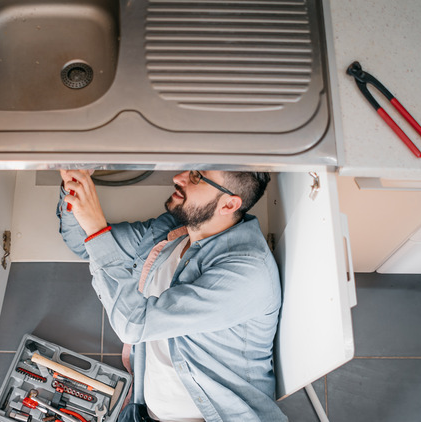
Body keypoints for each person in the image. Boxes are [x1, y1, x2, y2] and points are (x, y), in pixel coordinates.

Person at [56, 170, 287, 422]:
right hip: (144, 411)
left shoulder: (246, 270)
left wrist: (97, 229)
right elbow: (82, 241)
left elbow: (134, 324)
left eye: (197, 176)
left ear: (229, 203)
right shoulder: (171, 232)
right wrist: (75, 182)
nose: (179, 177)